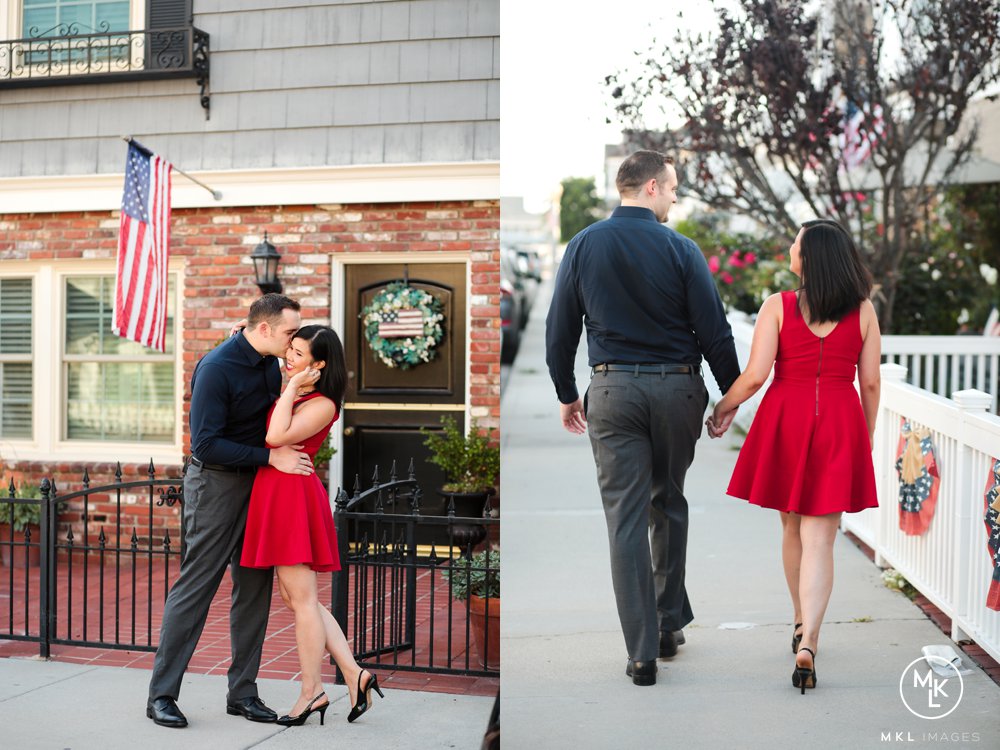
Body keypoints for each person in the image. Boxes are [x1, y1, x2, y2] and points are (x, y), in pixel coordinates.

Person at [545, 150, 741, 686]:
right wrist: (730, 397)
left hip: (613, 390)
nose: (677, 197)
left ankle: (642, 652)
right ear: (652, 187)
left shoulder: (584, 245)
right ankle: (667, 624)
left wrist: (568, 393)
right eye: (674, 188)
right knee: (668, 500)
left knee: (625, 517)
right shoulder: (681, 249)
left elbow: (560, 328)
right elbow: (714, 331)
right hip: (677, 388)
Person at [706, 219, 881, 694]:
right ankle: (811, 641)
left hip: (787, 418)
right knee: (821, 538)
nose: (789, 249)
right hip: (840, 420)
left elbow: (755, 375)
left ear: (810, 257)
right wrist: (862, 438)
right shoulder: (864, 311)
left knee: (791, 527)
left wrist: (722, 407)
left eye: (795, 244)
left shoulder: (778, 306)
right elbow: (869, 383)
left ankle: (801, 622)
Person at [148, 293, 315, 728]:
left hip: (258, 488)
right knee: (197, 587)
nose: (295, 340)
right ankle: (161, 696)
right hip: (216, 484)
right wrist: (270, 459)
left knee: (254, 587)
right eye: (290, 332)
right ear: (263, 329)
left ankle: (243, 693)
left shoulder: (269, 362)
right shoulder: (217, 367)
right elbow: (204, 443)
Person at [240, 325, 383, 726]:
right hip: (276, 493)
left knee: (302, 601)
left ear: (318, 364)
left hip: (291, 500)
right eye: (291, 349)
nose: (289, 358)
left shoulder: (321, 404)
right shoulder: (300, 392)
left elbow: (274, 435)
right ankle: (355, 674)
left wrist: (289, 388)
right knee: (298, 599)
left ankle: (312, 692)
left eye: (298, 354)